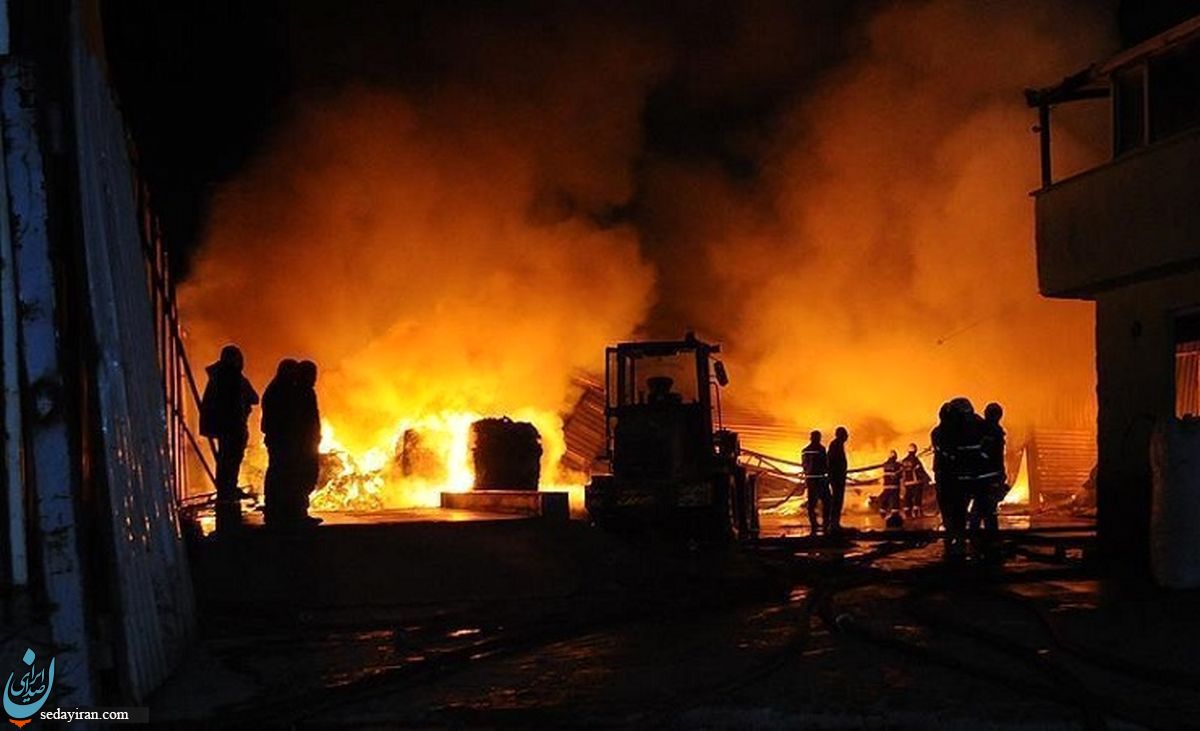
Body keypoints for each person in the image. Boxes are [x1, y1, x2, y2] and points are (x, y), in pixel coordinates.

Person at [200, 345, 259, 530]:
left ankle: (227, 490)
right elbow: (253, 397)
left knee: (226, 461)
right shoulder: (233, 378)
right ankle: (228, 492)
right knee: (230, 460)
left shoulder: (218, 377)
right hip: (233, 427)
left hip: (226, 428)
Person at [261, 359, 300, 525]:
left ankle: (277, 507)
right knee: (279, 472)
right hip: (280, 438)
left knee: (278, 471)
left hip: (279, 438)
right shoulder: (280, 390)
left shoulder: (277, 388)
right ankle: (276, 508)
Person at [970, 402, 1007, 555]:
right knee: (988, 511)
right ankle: (990, 540)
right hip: (990, 479)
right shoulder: (995, 432)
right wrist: (1001, 477)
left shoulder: (983, 430)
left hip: (983, 478)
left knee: (980, 510)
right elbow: (995, 458)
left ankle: (976, 539)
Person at [293, 360, 322, 525]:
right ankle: (299, 513)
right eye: (312, 375)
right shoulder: (302, 393)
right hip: (304, 444)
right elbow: (307, 419)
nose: (314, 378)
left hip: (307, 442)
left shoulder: (304, 391)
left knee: (306, 477)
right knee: (304, 477)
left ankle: (300, 512)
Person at [801, 430, 831, 535]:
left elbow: (804, 465)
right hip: (820, 479)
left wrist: (807, 474)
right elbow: (825, 464)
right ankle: (826, 523)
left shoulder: (805, 450)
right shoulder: (821, 449)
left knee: (812, 504)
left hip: (810, 480)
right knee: (827, 502)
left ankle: (814, 524)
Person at [827, 426, 849, 532]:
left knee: (837, 500)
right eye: (845, 434)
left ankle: (835, 523)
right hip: (837, 477)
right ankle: (834, 525)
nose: (847, 436)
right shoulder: (836, 445)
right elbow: (833, 462)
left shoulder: (837, 444)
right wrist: (836, 474)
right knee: (837, 500)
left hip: (837, 476)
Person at [900, 443, 931, 518]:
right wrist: (928, 478)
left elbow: (901, 472)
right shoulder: (915, 460)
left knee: (908, 497)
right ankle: (918, 513)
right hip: (916, 482)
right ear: (915, 450)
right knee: (917, 497)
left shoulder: (904, 461)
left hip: (907, 483)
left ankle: (908, 514)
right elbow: (921, 470)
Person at [880, 450, 903, 523]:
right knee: (895, 500)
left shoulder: (885, 464)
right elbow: (900, 475)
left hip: (886, 486)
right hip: (894, 486)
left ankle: (882, 513)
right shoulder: (897, 465)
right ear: (895, 456)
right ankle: (895, 515)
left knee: (885, 499)